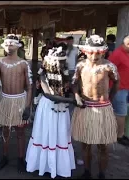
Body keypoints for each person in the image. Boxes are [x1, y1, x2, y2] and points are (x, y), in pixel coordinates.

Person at [71, 35, 119, 179]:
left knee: (103, 145)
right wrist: (77, 96)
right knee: (85, 143)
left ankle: (102, 174)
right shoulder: (80, 65)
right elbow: (74, 83)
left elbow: (116, 82)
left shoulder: (109, 66)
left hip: (103, 108)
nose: (95, 55)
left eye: (98, 52)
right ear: (85, 51)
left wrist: (109, 100)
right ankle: (86, 172)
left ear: (103, 51)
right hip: (85, 108)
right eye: (92, 52)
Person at [25, 46, 76, 178]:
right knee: (46, 132)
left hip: (62, 108)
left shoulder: (65, 75)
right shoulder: (43, 75)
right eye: (59, 61)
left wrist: (73, 97)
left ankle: (58, 166)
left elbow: (70, 89)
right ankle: (43, 165)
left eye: (63, 61)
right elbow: (48, 95)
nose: (61, 64)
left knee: (60, 134)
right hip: (47, 108)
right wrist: (71, 101)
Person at [0, 34, 32, 173]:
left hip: (20, 100)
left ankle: (21, 159)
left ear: (17, 46)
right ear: (5, 46)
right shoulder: (0, 63)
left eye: (12, 44)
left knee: (20, 131)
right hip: (5, 100)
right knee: (5, 130)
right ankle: (5, 157)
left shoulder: (23, 63)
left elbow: (29, 86)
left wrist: (27, 106)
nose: (9, 47)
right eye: (7, 44)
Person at [108, 35, 129, 146]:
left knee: (123, 113)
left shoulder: (126, 54)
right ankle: (119, 136)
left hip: (126, 88)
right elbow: (108, 70)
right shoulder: (117, 54)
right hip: (119, 89)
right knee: (121, 113)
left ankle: (121, 133)